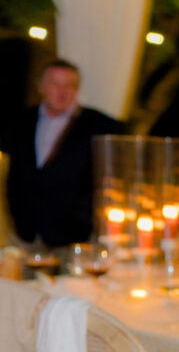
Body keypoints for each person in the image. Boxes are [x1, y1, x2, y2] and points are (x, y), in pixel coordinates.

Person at [2, 59, 122, 248]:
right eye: (55, 84)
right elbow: (14, 173)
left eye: (70, 85)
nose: (62, 91)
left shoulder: (100, 125)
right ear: (41, 87)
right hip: (25, 232)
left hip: (74, 237)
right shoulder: (21, 121)